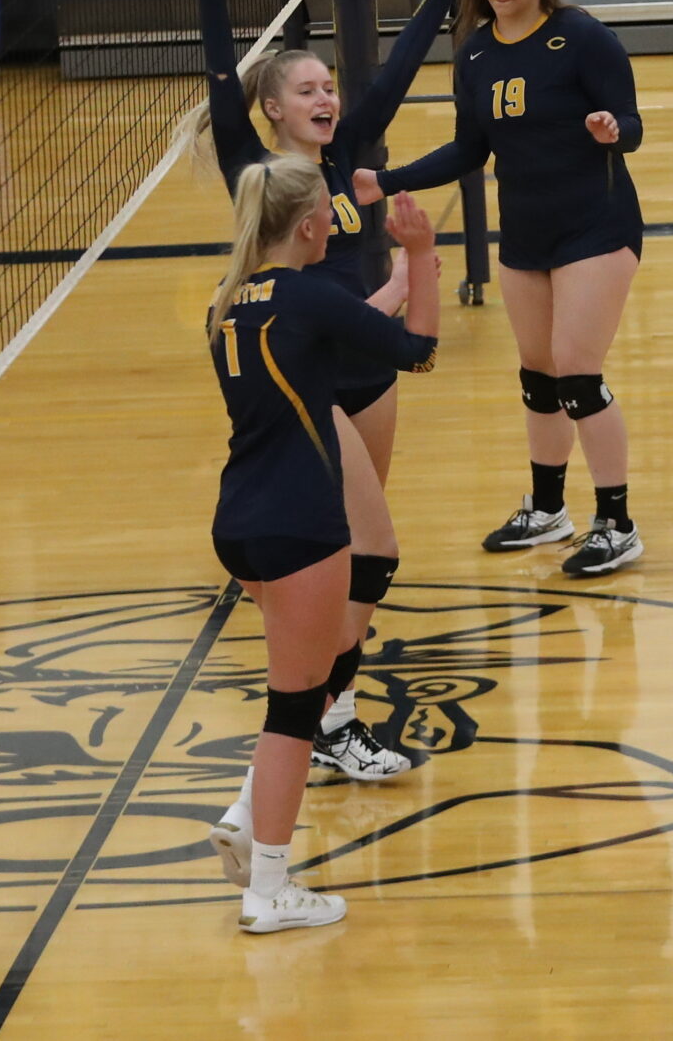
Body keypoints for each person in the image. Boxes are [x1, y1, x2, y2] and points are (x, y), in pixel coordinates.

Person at [184, 0, 472, 780]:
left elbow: (396, 73)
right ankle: (325, 717)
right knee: (367, 551)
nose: (326, 99)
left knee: (357, 559)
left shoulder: (347, 154)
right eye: (307, 90)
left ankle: (327, 710)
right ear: (273, 108)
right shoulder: (260, 176)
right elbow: (221, 93)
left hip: (369, 368)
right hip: (310, 384)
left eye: (328, 88)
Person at [354, 0, 646, 577]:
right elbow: (470, 148)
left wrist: (611, 129)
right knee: (538, 375)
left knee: (576, 371)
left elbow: (632, 125)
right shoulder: (476, 54)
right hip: (525, 232)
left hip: (596, 226)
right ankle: (549, 510)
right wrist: (386, 180)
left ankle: (618, 523)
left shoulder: (583, 37)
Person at [204, 155, 440, 931]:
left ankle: (248, 813)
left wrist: (396, 283)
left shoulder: (227, 302)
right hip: (300, 522)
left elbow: (325, 338)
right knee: (295, 708)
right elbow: (418, 350)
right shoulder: (309, 297)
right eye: (327, 218)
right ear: (310, 226)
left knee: (316, 671)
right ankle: (269, 887)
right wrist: (420, 256)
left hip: (239, 520)